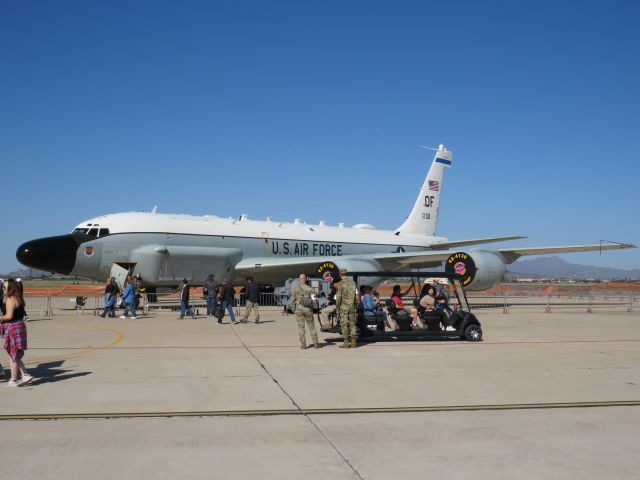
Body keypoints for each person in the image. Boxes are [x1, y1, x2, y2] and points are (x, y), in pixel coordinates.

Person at [1, 279, 33, 387]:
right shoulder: (18, 297)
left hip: (13, 328)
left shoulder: (10, 299)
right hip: (19, 326)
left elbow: (9, 316)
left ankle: (14, 379)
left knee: (13, 354)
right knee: (15, 353)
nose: (3, 289)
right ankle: (25, 374)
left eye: (4, 287)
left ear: (10, 288)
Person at [290, 274, 319, 349]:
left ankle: (303, 344)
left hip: (299, 310)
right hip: (308, 310)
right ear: (305, 279)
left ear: (300, 279)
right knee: (312, 327)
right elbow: (314, 300)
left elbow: (292, 300)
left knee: (301, 328)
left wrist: (293, 309)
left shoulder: (295, 289)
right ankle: (315, 344)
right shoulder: (310, 289)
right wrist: (313, 308)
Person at [336, 268, 359, 348]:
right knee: (352, 324)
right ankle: (353, 342)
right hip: (352, 307)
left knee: (344, 324)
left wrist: (337, 308)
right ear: (346, 274)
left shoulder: (340, 284)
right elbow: (357, 295)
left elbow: (338, 297)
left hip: (343, 307)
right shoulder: (353, 283)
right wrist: (356, 305)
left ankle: (346, 343)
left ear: (340, 274)